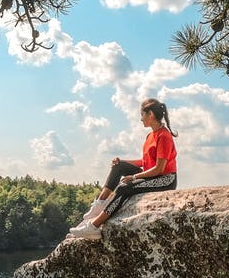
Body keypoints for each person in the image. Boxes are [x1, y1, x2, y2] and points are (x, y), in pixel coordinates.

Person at [68, 98, 178, 240]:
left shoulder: (164, 136)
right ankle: (99, 205)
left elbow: (159, 169)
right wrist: (123, 162)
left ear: (150, 114)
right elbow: (145, 162)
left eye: (142, 115)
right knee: (118, 166)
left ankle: (94, 227)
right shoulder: (150, 135)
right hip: (152, 175)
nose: (141, 119)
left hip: (165, 179)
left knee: (124, 187)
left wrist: (133, 177)